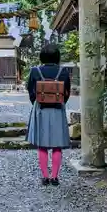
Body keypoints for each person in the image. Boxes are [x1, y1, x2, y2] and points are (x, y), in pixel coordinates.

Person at [25, 44, 71, 186]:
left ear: (42, 56)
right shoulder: (63, 71)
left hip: (40, 109)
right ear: (57, 57)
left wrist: (37, 101)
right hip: (58, 109)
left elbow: (31, 91)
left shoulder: (34, 71)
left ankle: (45, 177)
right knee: (57, 146)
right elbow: (67, 92)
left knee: (42, 145)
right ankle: (55, 177)